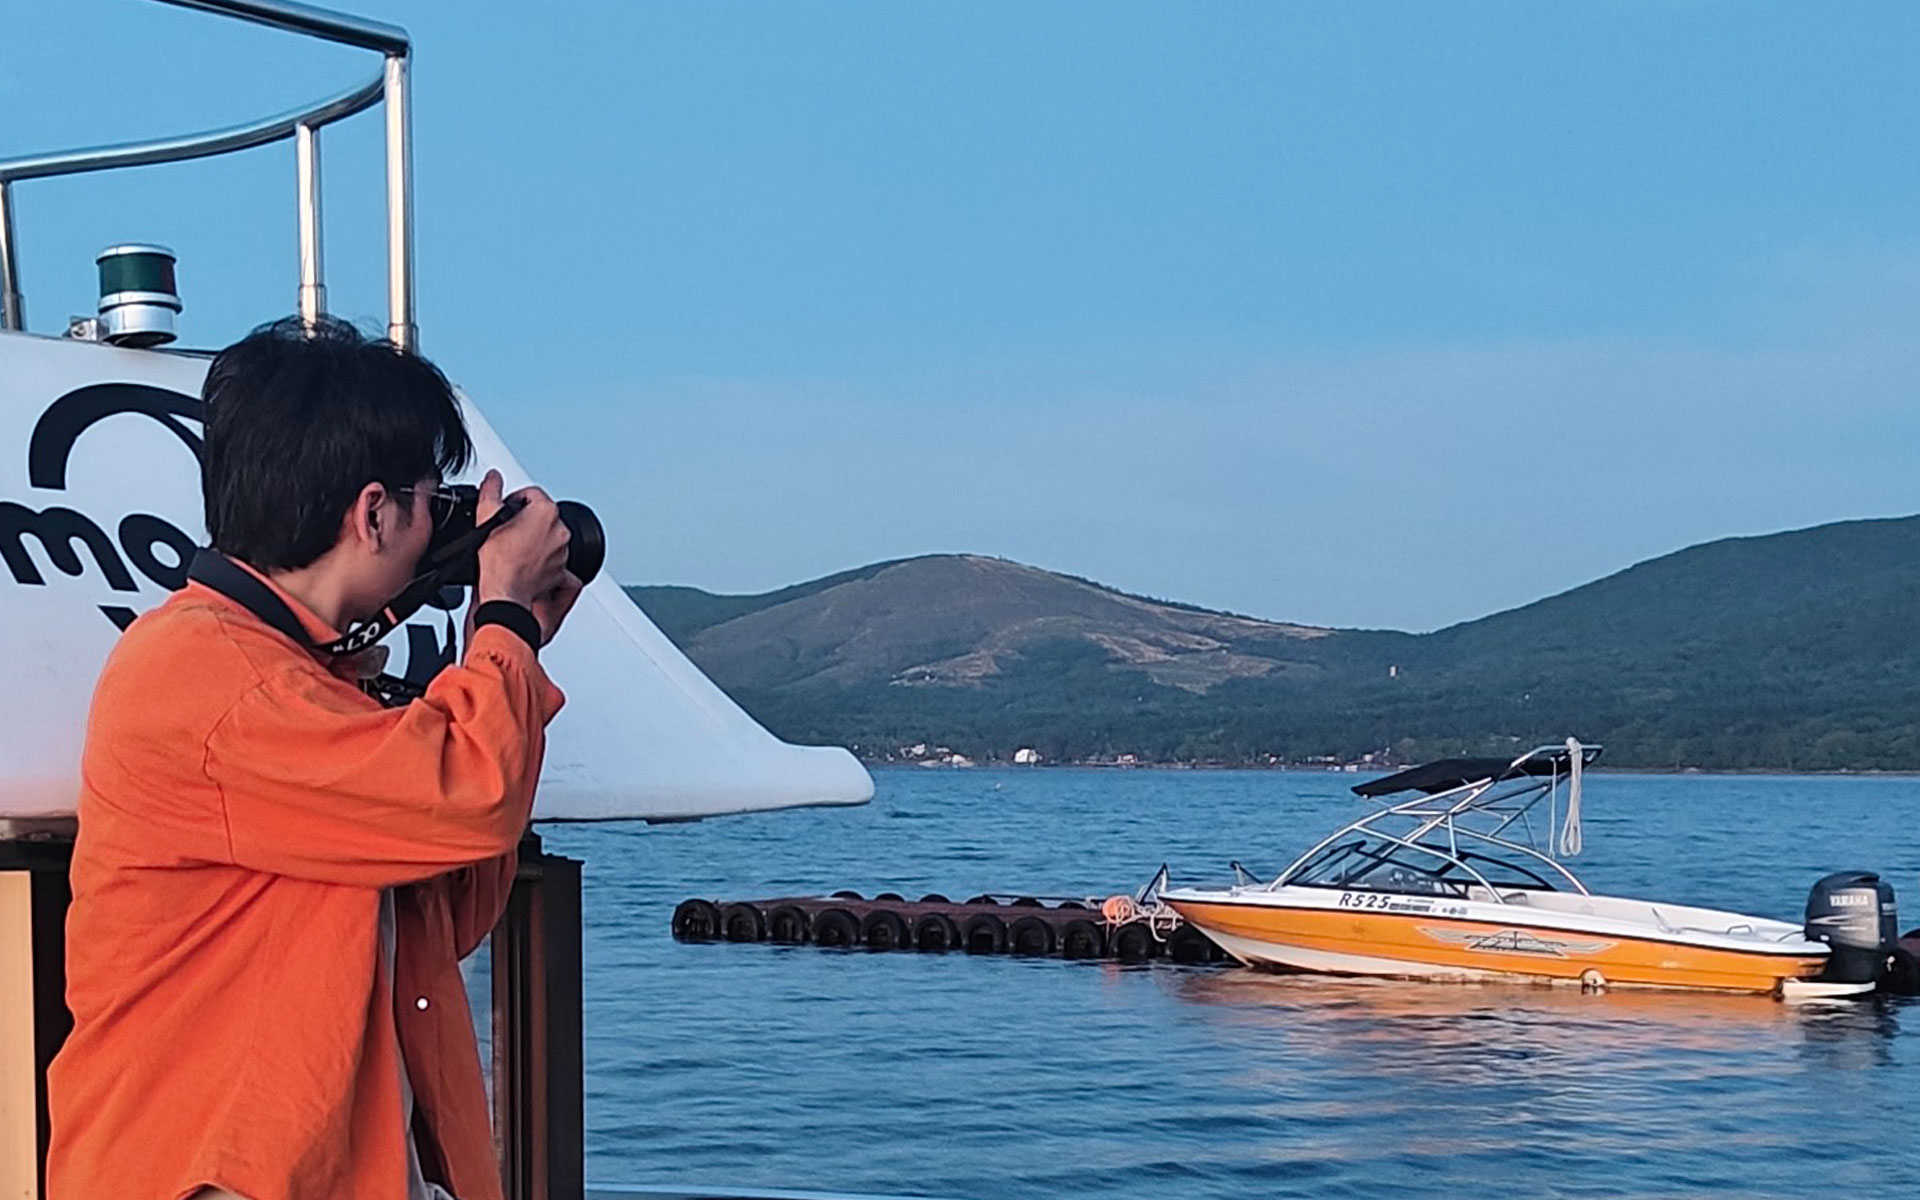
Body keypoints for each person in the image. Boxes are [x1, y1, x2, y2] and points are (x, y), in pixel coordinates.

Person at [45, 317, 583, 1200]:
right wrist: (503, 623)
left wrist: (511, 650)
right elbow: (471, 798)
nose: (439, 526)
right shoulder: (208, 677)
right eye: (429, 499)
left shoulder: (304, 683)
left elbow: (449, 901)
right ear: (373, 514)